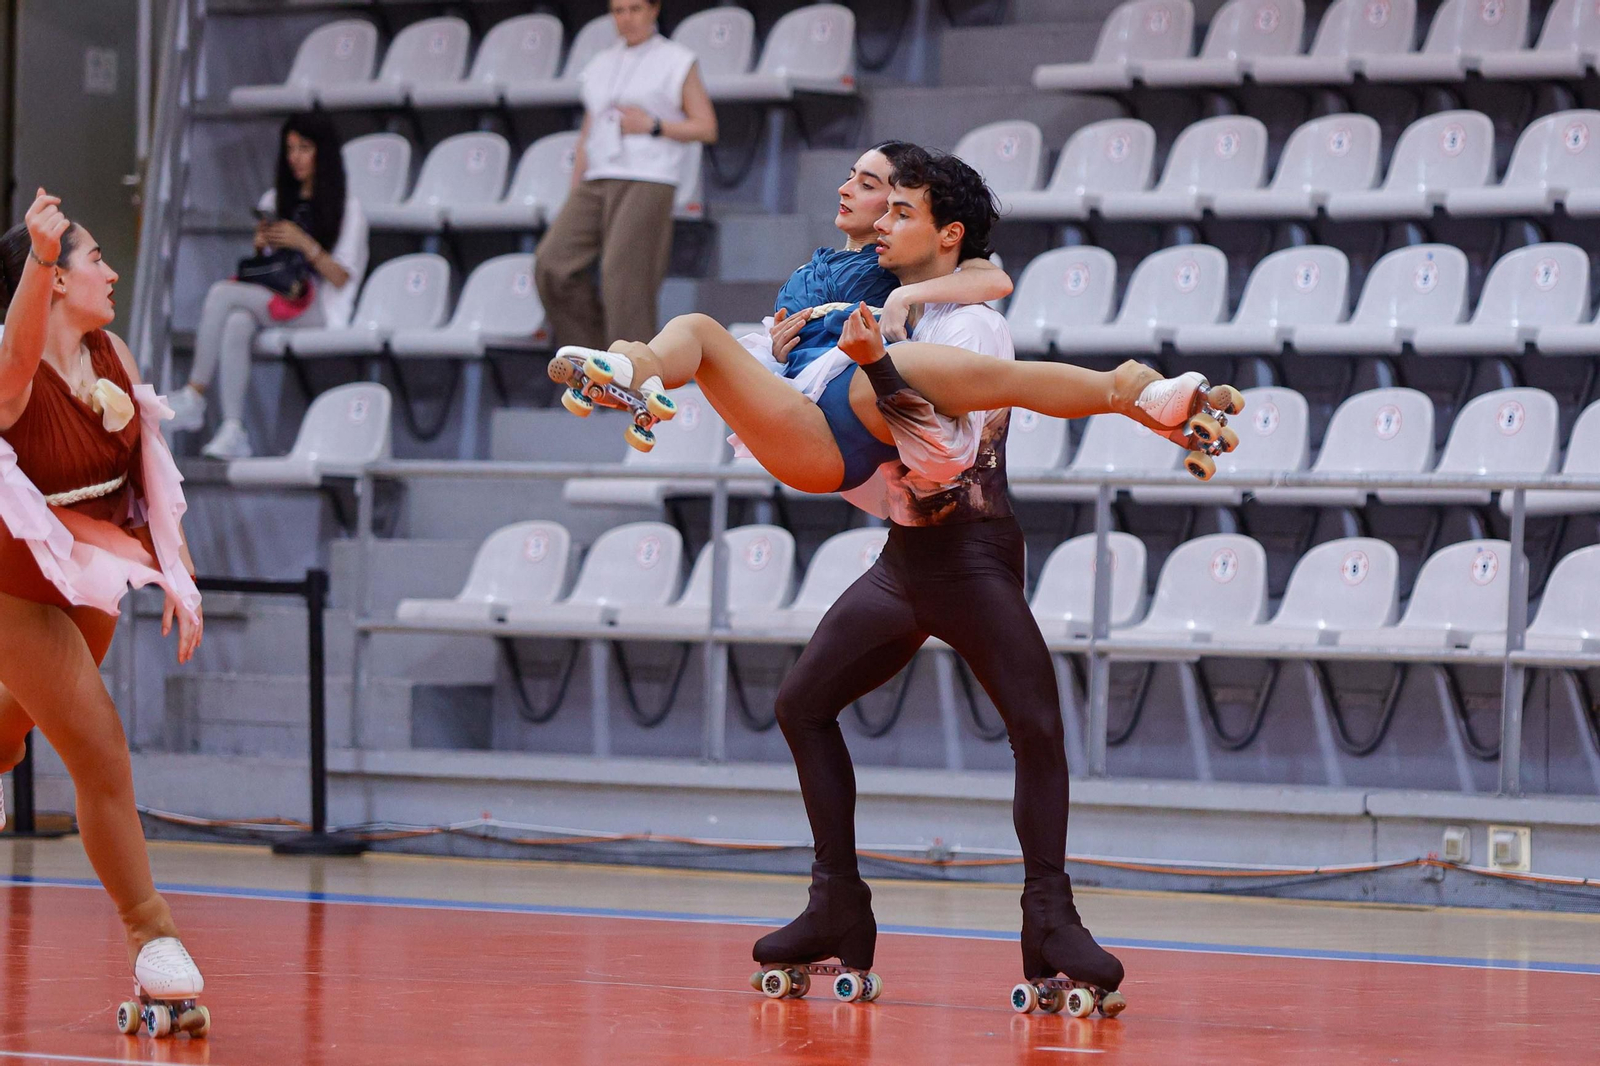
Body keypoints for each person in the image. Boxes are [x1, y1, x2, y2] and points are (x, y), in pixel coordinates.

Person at [555, 145, 1235, 496]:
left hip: (847, 423)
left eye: (876, 189)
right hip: (805, 413)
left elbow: (987, 275)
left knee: (908, 364)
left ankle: (1134, 391)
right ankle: (629, 368)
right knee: (702, 331)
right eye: (853, 178)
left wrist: (905, 302)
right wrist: (775, 349)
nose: (852, 192)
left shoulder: (907, 273)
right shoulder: (824, 264)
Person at [0, 190, 209, 1026]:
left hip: (88, 574)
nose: (112, 271)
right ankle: (151, 934)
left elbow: (149, 474)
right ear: (53, 277)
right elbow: (19, 359)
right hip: (12, 583)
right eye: (95, 258)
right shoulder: (11, 373)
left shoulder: (112, 352)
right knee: (98, 747)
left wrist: (179, 573)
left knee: (13, 728)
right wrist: (43, 251)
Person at [166, 111, 369, 460]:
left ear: (323, 152)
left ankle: (195, 395)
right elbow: (274, 271)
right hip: (282, 297)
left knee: (221, 294)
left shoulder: (348, 208)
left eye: (305, 148)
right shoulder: (275, 200)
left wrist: (305, 244)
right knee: (237, 322)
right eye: (290, 149)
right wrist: (263, 246)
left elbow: (340, 277)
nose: (295, 158)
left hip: (321, 306)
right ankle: (234, 430)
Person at [534, 0, 719, 350]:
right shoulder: (601, 63)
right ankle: (592, 358)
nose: (626, 18)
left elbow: (706, 126)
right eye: (618, 11)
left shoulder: (676, 60)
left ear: (653, 9)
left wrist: (653, 125)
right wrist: (576, 187)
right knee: (552, 264)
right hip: (598, 175)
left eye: (635, 9)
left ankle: (632, 371)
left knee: (624, 280)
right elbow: (589, 131)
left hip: (648, 175)